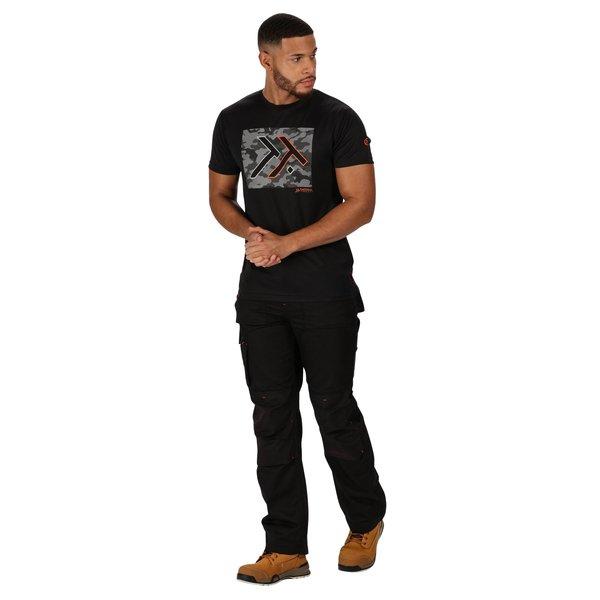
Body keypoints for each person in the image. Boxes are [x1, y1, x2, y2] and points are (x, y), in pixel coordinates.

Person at [208, 12, 386, 585]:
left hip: (325, 294)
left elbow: (361, 204)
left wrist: (287, 244)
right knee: (272, 418)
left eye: (313, 56)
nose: (310, 67)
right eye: (296, 58)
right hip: (261, 298)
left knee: (333, 409)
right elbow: (219, 196)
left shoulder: (338, 118)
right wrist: (251, 233)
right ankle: (285, 546)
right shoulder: (234, 120)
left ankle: (365, 522)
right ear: (266, 59)